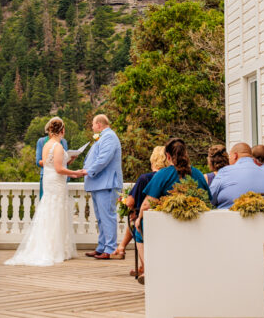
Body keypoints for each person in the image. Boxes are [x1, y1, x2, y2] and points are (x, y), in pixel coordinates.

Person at [6, 118, 87, 266]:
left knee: (49, 211)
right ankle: (54, 249)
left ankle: (54, 247)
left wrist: (68, 161)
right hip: (56, 181)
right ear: (61, 131)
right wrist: (76, 173)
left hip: (50, 181)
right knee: (56, 212)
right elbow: (59, 168)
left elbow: (49, 164)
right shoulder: (56, 146)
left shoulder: (46, 145)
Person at [138, 138, 209, 284]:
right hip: (194, 223)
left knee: (139, 230)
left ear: (168, 156)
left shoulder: (163, 174)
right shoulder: (197, 174)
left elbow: (146, 204)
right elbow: (208, 200)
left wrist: (139, 218)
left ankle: (149, 269)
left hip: (167, 225)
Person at [111, 146, 168, 276]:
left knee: (134, 221)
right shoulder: (169, 178)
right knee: (134, 220)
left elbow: (130, 202)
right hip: (165, 217)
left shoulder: (145, 178)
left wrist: (124, 200)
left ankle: (142, 264)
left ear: (153, 159)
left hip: (145, 218)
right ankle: (125, 251)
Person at [83, 114, 123, 260]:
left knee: (107, 216)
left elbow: (103, 159)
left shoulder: (110, 137)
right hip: (98, 183)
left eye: (93, 124)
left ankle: (110, 248)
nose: (92, 127)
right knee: (100, 218)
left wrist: (88, 171)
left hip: (106, 183)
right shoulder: (104, 136)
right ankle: (101, 247)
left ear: (99, 125)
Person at [209, 142, 264, 209]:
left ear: (235, 156)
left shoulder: (225, 171)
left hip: (230, 217)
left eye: (230, 156)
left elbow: (209, 199)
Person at [35, 117, 69, 199]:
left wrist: (71, 158)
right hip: (48, 177)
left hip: (62, 178)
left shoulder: (63, 142)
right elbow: (38, 162)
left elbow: (65, 161)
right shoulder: (42, 141)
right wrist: (53, 162)